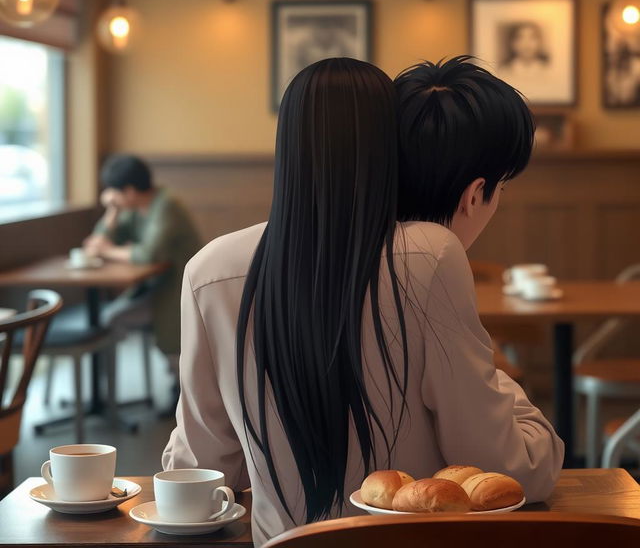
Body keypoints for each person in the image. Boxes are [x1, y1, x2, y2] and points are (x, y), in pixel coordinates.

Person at [162, 57, 563, 546]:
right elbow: (508, 473)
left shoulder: (208, 270)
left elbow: (198, 471)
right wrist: (507, 391)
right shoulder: (430, 254)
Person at [84, 154, 201, 400]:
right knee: (110, 317)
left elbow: (149, 253)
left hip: (178, 292)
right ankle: (106, 396)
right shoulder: (137, 208)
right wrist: (111, 212)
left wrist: (107, 251)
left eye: (114, 192)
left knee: (115, 318)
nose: (111, 195)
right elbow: (99, 241)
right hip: (153, 289)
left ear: (129, 191)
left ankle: (182, 391)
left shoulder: (167, 205)